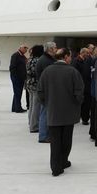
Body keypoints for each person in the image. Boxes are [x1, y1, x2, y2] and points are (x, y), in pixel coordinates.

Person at [38, 48, 84, 176]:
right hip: (69, 112)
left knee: (55, 140)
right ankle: (63, 161)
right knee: (66, 139)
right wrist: (77, 103)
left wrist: (47, 104)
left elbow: (40, 92)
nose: (71, 58)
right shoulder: (73, 72)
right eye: (69, 56)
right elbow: (79, 92)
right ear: (65, 57)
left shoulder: (47, 72)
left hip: (53, 112)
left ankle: (55, 167)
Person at [35, 42, 57, 143]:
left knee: (45, 112)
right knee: (45, 113)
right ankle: (43, 136)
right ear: (50, 49)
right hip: (46, 90)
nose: (56, 49)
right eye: (55, 48)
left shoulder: (47, 59)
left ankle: (45, 134)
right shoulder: (45, 61)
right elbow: (48, 77)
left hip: (46, 89)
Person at [25, 45, 44, 133]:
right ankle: (34, 126)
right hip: (36, 83)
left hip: (29, 83)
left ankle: (31, 122)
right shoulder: (38, 60)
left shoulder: (30, 59)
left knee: (32, 105)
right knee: (36, 106)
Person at [72, 48, 93, 126]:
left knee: (86, 103)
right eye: (87, 53)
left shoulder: (86, 61)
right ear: (82, 52)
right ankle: (81, 117)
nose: (88, 54)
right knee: (81, 102)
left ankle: (85, 118)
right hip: (80, 85)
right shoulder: (76, 61)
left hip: (86, 85)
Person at [9, 44, 28, 113]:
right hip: (17, 77)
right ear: (20, 48)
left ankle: (14, 107)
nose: (26, 50)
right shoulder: (16, 55)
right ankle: (18, 108)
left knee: (17, 93)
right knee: (18, 93)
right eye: (25, 48)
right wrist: (16, 76)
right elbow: (12, 67)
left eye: (26, 49)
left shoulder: (22, 56)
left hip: (21, 77)